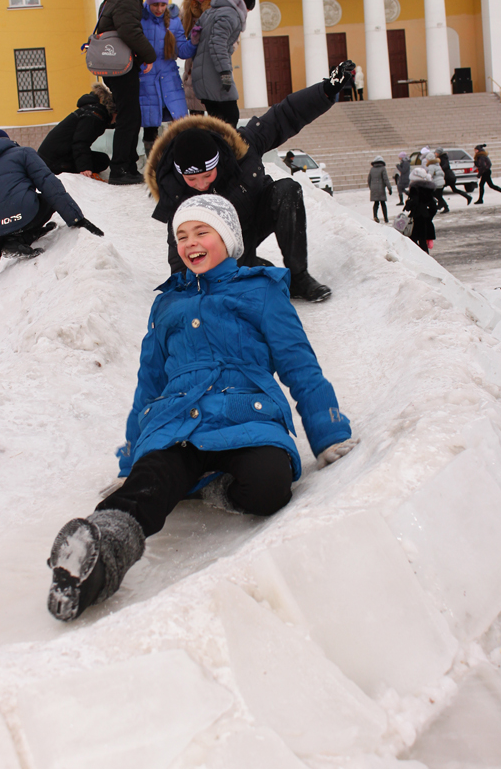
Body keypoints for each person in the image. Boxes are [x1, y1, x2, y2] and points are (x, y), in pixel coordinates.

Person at [46, 195, 357, 621]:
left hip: (248, 418)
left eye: (201, 232)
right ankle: (97, 558)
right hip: (177, 425)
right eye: (181, 235)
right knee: (148, 484)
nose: (190, 243)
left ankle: (209, 486)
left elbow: (299, 364)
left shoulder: (260, 291)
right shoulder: (167, 303)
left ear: (227, 239)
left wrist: (329, 432)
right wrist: (132, 456)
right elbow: (149, 382)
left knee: (269, 487)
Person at [146, 63, 356, 302]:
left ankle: (298, 277)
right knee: (234, 282)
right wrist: (183, 292)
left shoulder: (242, 146)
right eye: (192, 179)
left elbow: (283, 116)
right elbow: (179, 249)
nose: (202, 184)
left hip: (253, 217)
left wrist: (326, 91)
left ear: (219, 160)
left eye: (207, 175)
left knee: (287, 190)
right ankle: (250, 267)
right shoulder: (175, 191)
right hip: (222, 245)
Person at [0, 129, 104, 351]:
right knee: (46, 200)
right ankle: (19, 237)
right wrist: (76, 218)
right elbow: (49, 184)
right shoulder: (23, 153)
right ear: (7, 142)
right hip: (21, 217)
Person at [96, 0, 158, 185]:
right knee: (129, 117)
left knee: (130, 115)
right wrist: (149, 56)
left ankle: (128, 165)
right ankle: (121, 168)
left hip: (112, 66)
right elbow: (129, 31)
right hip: (120, 67)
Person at [139, 0, 197, 160]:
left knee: (180, 124)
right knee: (150, 126)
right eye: (155, 4)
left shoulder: (174, 21)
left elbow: (182, 51)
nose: (159, 8)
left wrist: (193, 41)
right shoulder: (139, 19)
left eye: (162, 4)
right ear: (148, 2)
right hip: (146, 80)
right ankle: (153, 163)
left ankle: (183, 160)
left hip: (170, 79)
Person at [191, 0, 257, 128]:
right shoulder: (230, 14)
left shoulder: (210, 12)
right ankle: (224, 150)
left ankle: (216, 149)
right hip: (215, 77)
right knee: (230, 117)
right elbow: (217, 44)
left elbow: (196, 37)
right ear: (243, 4)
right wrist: (225, 73)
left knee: (217, 122)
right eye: (248, 10)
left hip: (202, 76)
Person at [37, 84, 115, 178]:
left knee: (101, 159)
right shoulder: (94, 116)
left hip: (48, 158)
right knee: (102, 161)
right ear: (113, 111)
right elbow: (80, 141)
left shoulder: (91, 110)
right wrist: (85, 167)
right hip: (53, 162)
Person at [180, 0, 216, 116]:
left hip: (214, 66)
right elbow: (179, 37)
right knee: (196, 117)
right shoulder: (186, 11)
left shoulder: (219, 8)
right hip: (193, 69)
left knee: (217, 118)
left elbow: (232, 37)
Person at [404, 166, 437, 253]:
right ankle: (426, 258)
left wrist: (408, 204)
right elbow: (434, 207)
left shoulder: (414, 189)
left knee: (412, 240)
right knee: (423, 240)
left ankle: (419, 257)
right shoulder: (428, 190)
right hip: (425, 218)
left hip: (415, 218)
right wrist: (428, 216)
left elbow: (413, 203)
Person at [367, 156, 392, 223]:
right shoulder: (383, 169)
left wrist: (371, 187)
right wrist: (389, 188)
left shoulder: (372, 169)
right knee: (383, 203)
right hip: (381, 188)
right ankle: (386, 218)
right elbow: (385, 179)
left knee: (376, 203)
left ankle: (375, 216)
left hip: (374, 188)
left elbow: (369, 179)